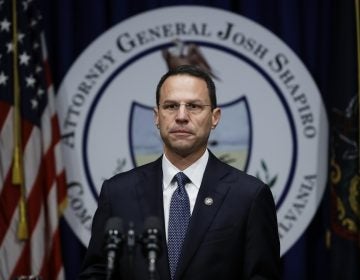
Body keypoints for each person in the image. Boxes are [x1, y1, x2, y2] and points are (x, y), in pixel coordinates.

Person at [78, 65, 280, 280]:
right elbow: (96, 274)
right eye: (171, 106)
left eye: (193, 106)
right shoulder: (118, 193)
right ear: (157, 116)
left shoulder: (249, 196)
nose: (181, 116)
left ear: (215, 117)